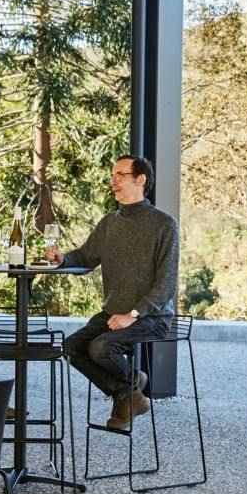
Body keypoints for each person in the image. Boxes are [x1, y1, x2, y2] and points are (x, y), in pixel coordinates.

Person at [52, 155, 178, 430]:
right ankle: (129, 391)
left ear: (140, 179)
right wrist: (63, 259)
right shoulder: (109, 222)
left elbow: (167, 284)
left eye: (120, 174)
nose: (114, 180)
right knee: (71, 346)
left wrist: (133, 314)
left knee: (101, 347)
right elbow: (86, 256)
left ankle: (128, 393)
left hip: (150, 317)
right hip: (112, 312)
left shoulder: (164, 224)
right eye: (112, 175)